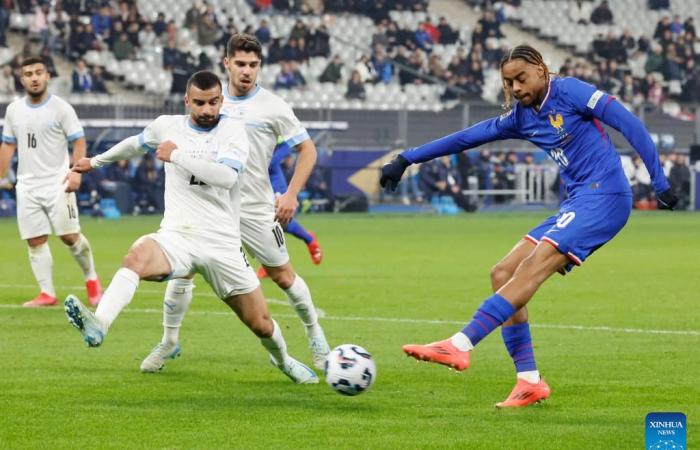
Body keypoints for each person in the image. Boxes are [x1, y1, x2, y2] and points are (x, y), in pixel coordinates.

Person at [380, 44, 677, 408]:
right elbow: (466, 137)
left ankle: (459, 344)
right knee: (503, 272)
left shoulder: (570, 91)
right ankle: (529, 381)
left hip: (605, 198)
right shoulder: (521, 117)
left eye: (521, 78)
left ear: (540, 68)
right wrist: (406, 158)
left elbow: (629, 122)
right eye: (508, 82)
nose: (516, 88)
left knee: (533, 267)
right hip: (577, 202)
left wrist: (660, 181)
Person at [64, 70, 318, 384]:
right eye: (199, 103)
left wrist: (177, 155)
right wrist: (96, 162)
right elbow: (136, 143)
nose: (207, 109)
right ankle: (99, 324)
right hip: (178, 236)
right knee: (137, 256)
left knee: (261, 324)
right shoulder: (166, 126)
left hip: (222, 244)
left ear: (221, 100)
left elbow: (227, 177)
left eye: (213, 102)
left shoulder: (234, 132)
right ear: (187, 101)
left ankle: (284, 360)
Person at [141, 34, 330, 373]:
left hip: (255, 209)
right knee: (181, 276)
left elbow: (308, 150)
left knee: (284, 276)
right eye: (240, 64)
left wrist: (290, 195)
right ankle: (169, 342)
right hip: (208, 209)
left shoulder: (273, 107)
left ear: (260, 67)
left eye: (253, 65)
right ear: (226, 63)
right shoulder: (210, 99)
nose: (247, 71)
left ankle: (316, 336)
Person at [0, 57, 102, 307]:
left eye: (38, 72)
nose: (34, 78)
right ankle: (47, 293)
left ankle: (92, 280)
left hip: (58, 183)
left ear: (47, 76)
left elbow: (78, 141)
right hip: (27, 186)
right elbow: (8, 144)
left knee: (69, 236)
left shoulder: (61, 108)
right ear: (21, 79)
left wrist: (76, 172)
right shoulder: (14, 110)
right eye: (28, 74)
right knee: (35, 240)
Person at [256, 139, 323, 279]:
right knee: (271, 226)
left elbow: (272, 162)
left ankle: (308, 239)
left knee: (276, 222)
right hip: (261, 188)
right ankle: (270, 264)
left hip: (276, 189)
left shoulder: (281, 144)